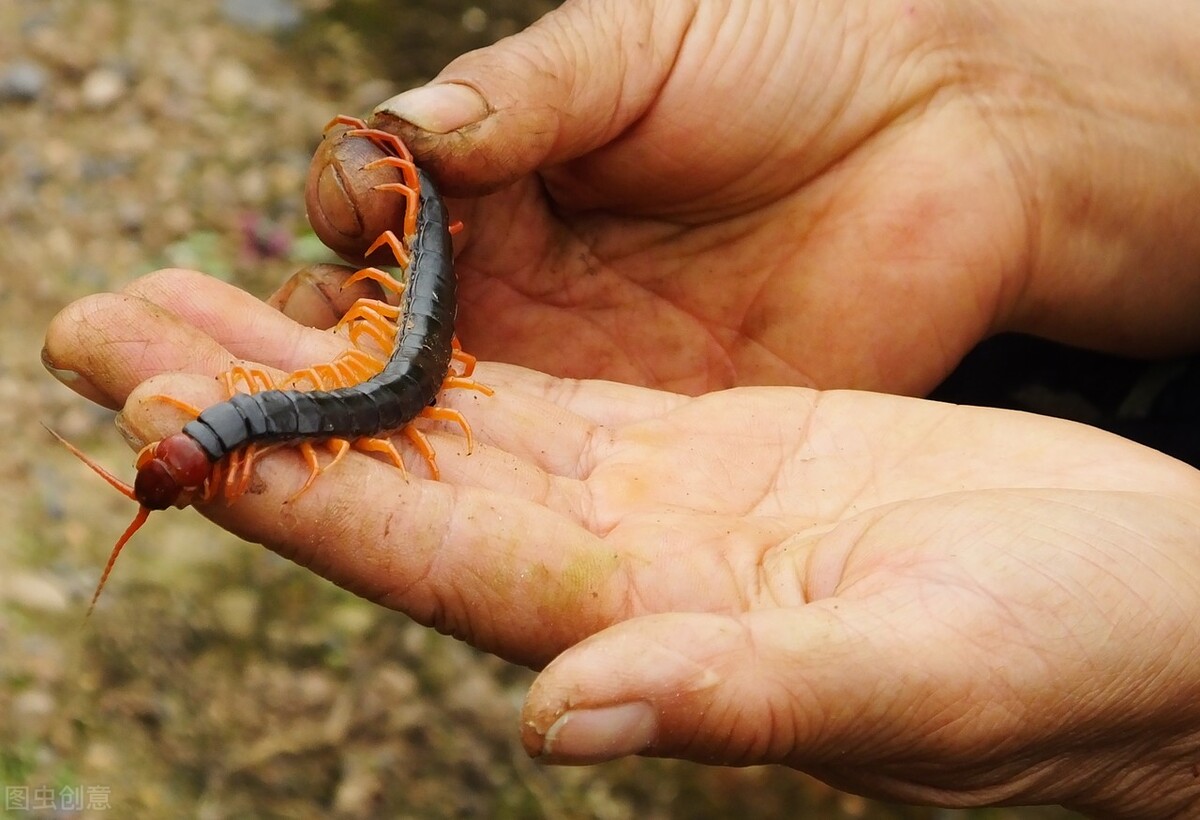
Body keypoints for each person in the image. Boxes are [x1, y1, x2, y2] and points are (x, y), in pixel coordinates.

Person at [41, 0, 1200, 815]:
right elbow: (385, 376)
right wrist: (984, 111)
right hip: (399, 365)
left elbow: (401, 378)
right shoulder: (291, 414)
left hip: (406, 364)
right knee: (376, 355)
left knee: (388, 349)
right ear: (210, 462)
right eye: (189, 462)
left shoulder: (319, 395)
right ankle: (416, 184)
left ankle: (419, 185)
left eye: (185, 462)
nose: (189, 457)